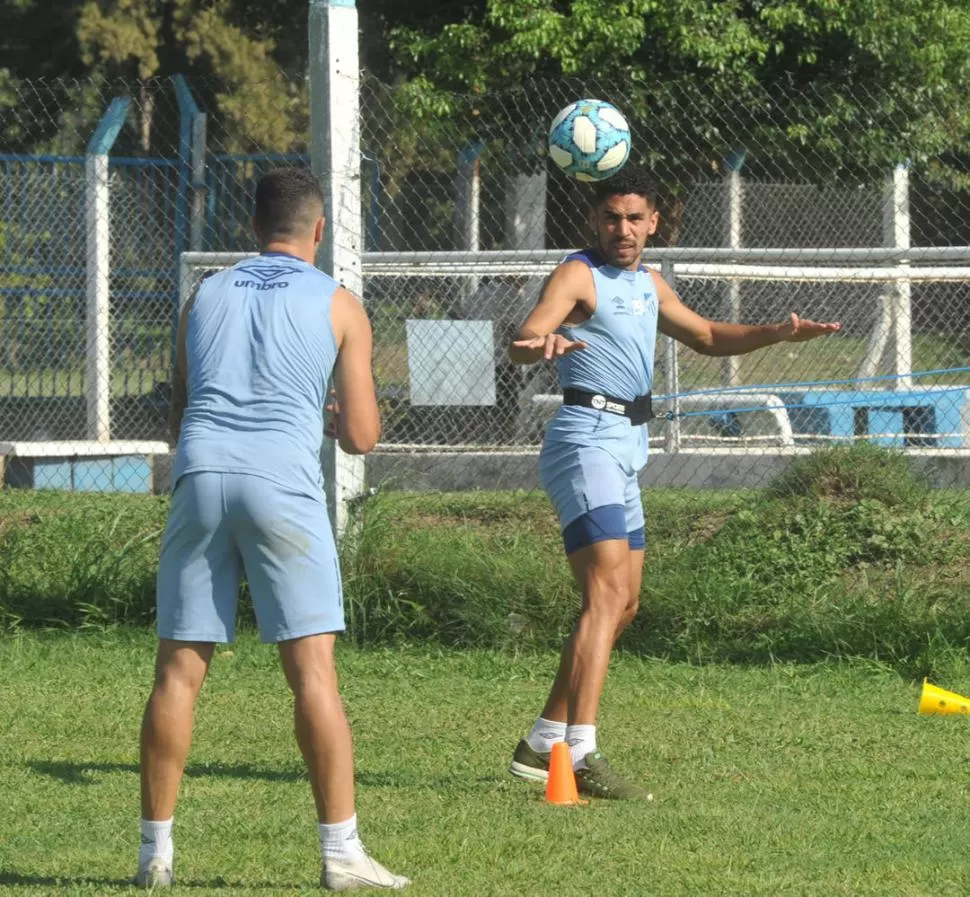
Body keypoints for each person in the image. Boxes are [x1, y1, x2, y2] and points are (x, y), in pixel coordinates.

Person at [506, 165, 841, 799]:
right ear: (594, 221)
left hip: (627, 444)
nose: (623, 229)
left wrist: (778, 332)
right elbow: (527, 335)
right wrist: (537, 346)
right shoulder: (579, 273)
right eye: (611, 218)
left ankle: (544, 739)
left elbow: (708, 335)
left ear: (655, 222)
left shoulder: (648, 283)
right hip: (585, 441)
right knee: (604, 598)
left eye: (635, 218)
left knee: (623, 604)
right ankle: (581, 751)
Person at [136, 167, 409, 890]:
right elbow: (362, 435)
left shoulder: (206, 291)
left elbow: (180, 409)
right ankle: (342, 852)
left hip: (200, 474)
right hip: (280, 486)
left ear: (254, 226)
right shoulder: (339, 302)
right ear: (318, 230)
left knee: (177, 671)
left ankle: (154, 854)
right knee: (311, 672)